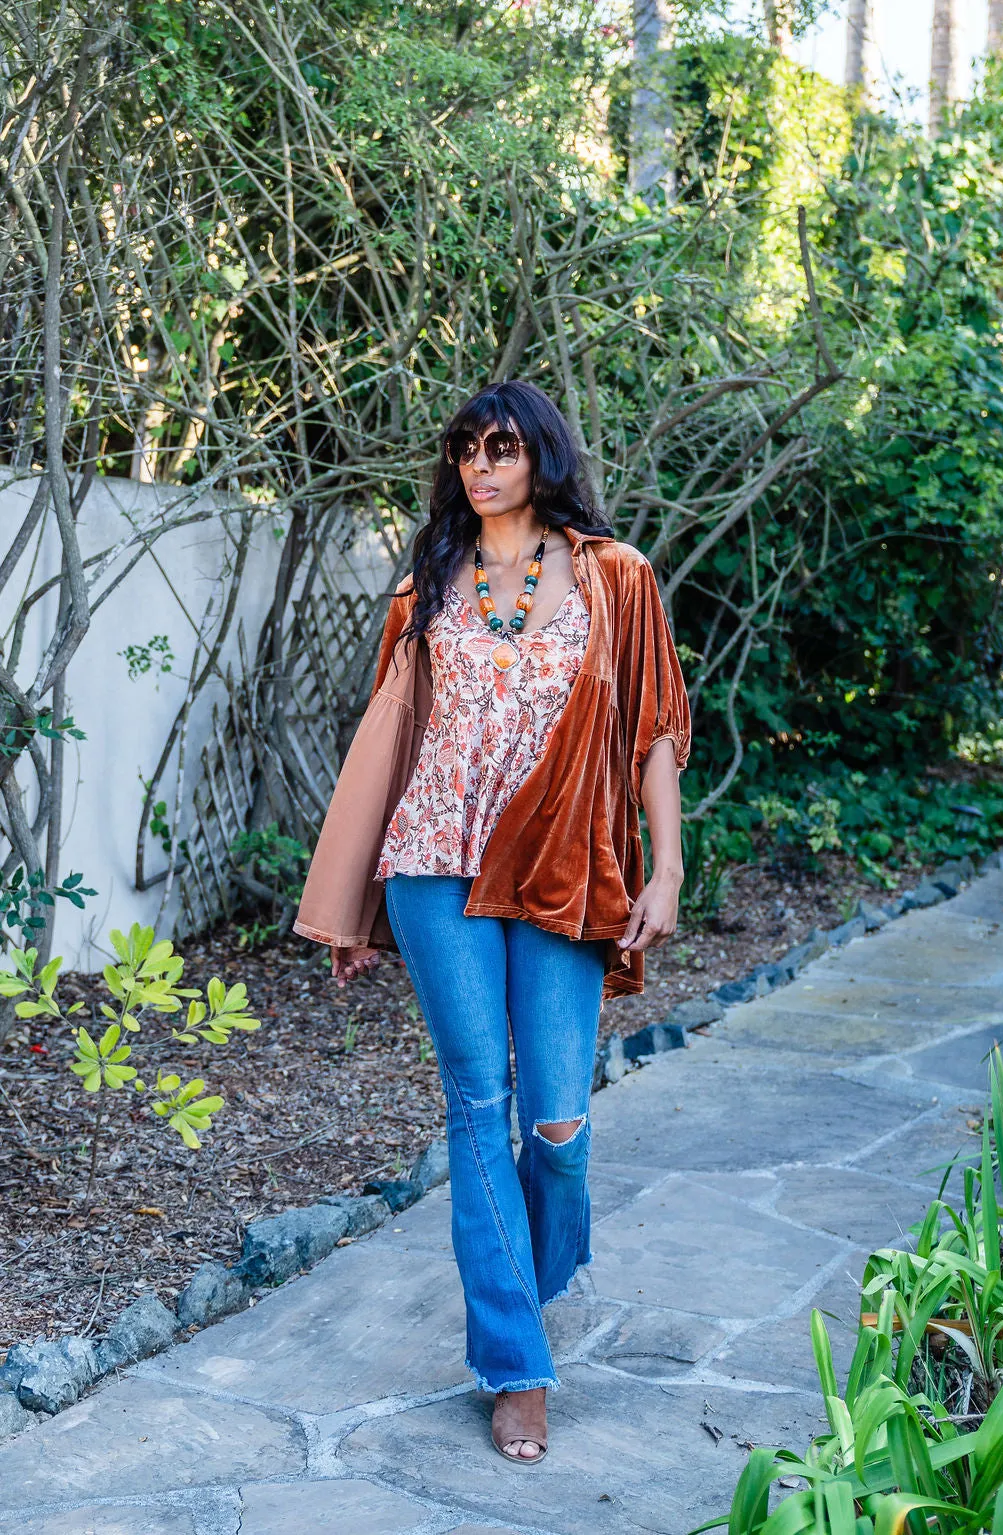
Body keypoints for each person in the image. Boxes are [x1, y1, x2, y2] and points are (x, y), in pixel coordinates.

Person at [295, 379, 690, 1465]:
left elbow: (653, 727)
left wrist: (666, 868)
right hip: (431, 862)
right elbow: (389, 742)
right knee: (479, 1104)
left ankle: (527, 1262)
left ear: (541, 455)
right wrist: (354, 908)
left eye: (503, 445)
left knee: (558, 1125)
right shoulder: (428, 582)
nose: (482, 464)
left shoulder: (616, 577)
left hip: (562, 864)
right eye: (467, 448)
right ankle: (515, 1364)